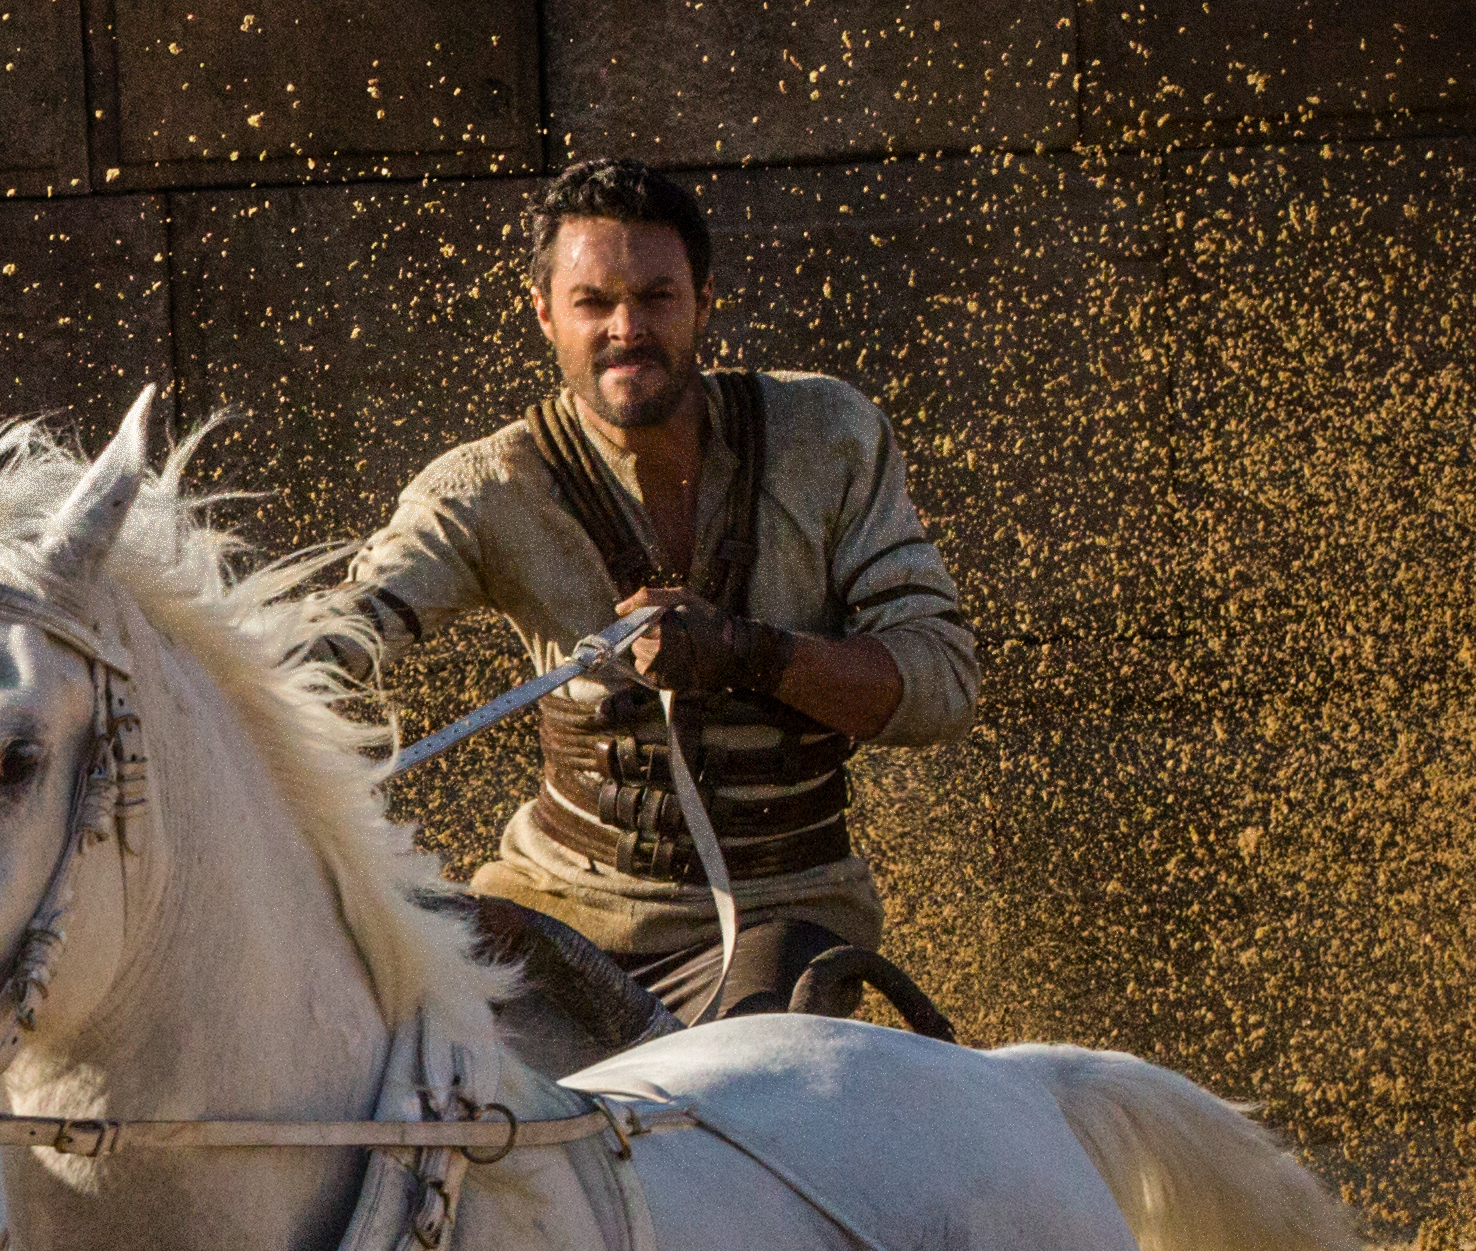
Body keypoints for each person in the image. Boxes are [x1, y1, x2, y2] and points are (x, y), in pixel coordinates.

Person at [318, 161, 981, 1023]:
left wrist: (752, 652)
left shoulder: (830, 436)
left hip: (786, 920)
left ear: (705, 302)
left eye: (657, 297)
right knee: (402, 1067)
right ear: (546, 313)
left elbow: (944, 684)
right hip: (555, 913)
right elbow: (344, 628)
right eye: (593, 302)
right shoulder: (482, 488)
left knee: (734, 1093)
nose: (627, 328)